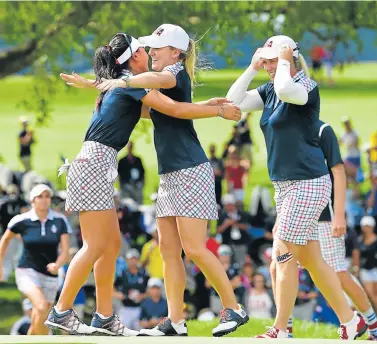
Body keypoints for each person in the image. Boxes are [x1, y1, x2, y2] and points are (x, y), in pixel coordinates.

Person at [49, 31, 241, 337]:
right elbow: (174, 109)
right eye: (144, 50)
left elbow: (163, 111)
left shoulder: (129, 86)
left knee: (111, 246)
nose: (149, 54)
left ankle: (104, 317)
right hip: (95, 166)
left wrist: (206, 103)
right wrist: (217, 111)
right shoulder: (135, 85)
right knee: (96, 245)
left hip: (95, 166)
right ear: (134, 58)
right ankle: (61, 311)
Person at [226, 35, 367, 339]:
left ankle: (280, 328)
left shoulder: (305, 87)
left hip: (309, 183)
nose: (268, 66)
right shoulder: (270, 89)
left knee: (282, 249)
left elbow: (285, 88)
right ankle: (352, 321)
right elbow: (234, 100)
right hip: (285, 186)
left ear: (288, 58)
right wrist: (252, 68)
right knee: (312, 260)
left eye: (272, 60)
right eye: (267, 60)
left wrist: (285, 60)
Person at [275, 121, 377, 340]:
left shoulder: (321, 131)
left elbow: (340, 172)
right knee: (279, 265)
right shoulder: (286, 131)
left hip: (324, 219)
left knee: (339, 274)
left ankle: (376, 329)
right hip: (297, 214)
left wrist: (338, 215)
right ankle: (284, 330)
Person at [0, 184, 71, 335]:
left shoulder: (60, 221)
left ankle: (31, 339)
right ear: (32, 200)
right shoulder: (21, 220)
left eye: (47, 196)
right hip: (27, 271)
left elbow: (65, 252)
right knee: (40, 306)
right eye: (40, 197)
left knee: (42, 318)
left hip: (50, 275)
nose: (44, 200)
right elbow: (4, 241)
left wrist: (58, 264)